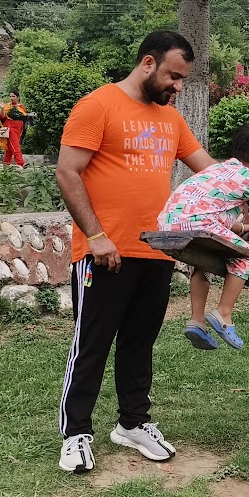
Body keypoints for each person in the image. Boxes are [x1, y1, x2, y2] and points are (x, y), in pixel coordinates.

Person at [55, 30, 213, 474]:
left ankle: (133, 423)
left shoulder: (170, 120)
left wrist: (247, 198)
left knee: (139, 344)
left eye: (182, 80)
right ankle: (76, 433)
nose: (178, 88)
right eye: (173, 76)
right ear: (148, 63)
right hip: (105, 252)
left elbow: (207, 173)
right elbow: (68, 173)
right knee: (92, 343)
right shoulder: (98, 105)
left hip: (158, 251)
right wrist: (96, 235)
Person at [158, 121, 249, 351]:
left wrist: (239, 228)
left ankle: (197, 320)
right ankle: (224, 313)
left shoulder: (218, 170)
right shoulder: (248, 177)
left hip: (169, 223)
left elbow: (213, 210)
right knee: (245, 253)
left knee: (202, 262)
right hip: (197, 225)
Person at [0, 91, 33, 167]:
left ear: (18, 97)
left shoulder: (21, 107)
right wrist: (2, 109)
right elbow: (2, 117)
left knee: (9, 149)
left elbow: (24, 118)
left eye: (13, 96)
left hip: (18, 130)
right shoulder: (7, 106)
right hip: (9, 129)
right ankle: (22, 163)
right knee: (16, 146)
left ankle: (6, 165)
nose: (11, 98)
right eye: (10, 96)